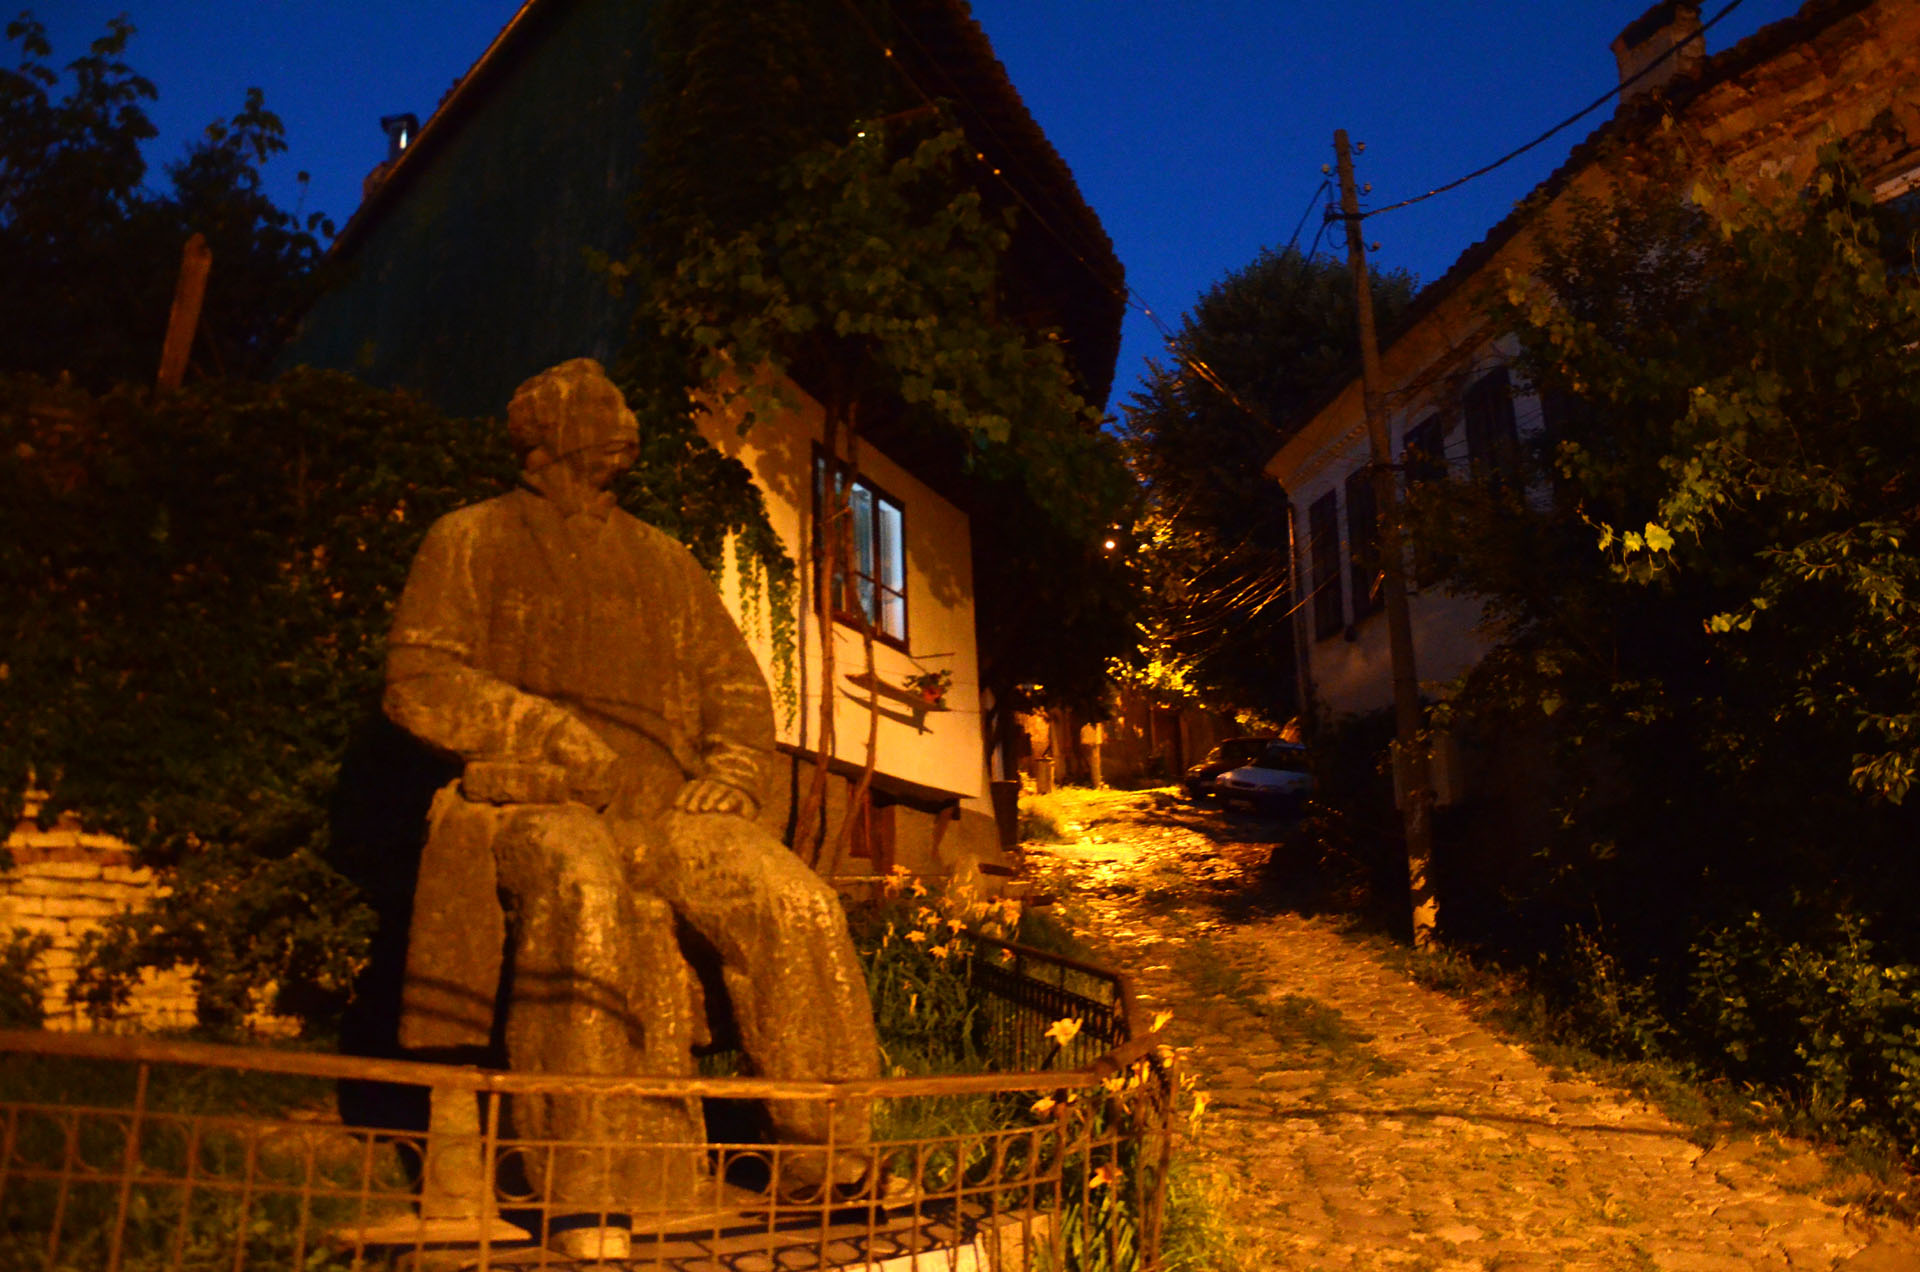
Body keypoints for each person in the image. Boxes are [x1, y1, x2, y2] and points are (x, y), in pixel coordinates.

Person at [383, 359, 878, 1258]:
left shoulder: (662, 559)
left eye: (618, 401)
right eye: (597, 405)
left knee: (794, 899)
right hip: (529, 804)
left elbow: (737, 686)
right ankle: (585, 1189)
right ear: (544, 430)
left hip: (671, 814)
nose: (621, 417)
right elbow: (419, 677)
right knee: (583, 891)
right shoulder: (471, 538)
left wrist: (733, 768)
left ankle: (832, 1165)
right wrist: (543, 731)